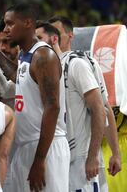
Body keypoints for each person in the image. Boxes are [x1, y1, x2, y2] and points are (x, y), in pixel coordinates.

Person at [0, 3, 70, 191]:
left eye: (10, 24)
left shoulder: (44, 56)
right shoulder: (26, 55)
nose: (5, 29)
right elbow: (16, 75)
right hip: (26, 146)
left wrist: (40, 160)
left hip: (45, 147)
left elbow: (53, 107)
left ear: (28, 23)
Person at [49, 16, 121, 191]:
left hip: (81, 159)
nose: (53, 39)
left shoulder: (80, 63)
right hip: (58, 157)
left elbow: (103, 108)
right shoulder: (46, 66)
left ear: (71, 36)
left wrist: (114, 153)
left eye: (57, 34)